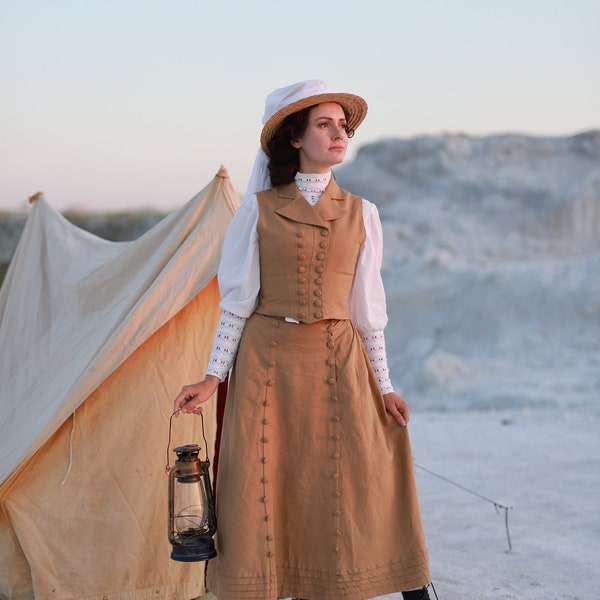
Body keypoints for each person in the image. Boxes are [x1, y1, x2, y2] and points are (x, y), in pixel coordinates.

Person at [174, 80, 435, 600]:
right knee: (266, 482)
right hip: (267, 363)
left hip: (341, 360)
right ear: (295, 137)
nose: (340, 134)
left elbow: (368, 313)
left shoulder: (364, 213)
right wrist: (212, 376)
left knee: (361, 472)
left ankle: (402, 583)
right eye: (325, 124)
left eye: (344, 126)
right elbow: (237, 303)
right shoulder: (258, 210)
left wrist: (385, 385)